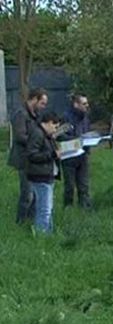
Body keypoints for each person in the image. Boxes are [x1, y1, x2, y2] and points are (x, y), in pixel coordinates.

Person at [7, 87, 48, 224]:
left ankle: (31, 221)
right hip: (23, 158)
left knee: (35, 193)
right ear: (34, 99)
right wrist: (38, 141)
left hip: (33, 157)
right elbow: (20, 136)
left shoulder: (35, 115)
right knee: (27, 194)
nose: (43, 107)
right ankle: (21, 222)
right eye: (42, 103)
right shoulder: (21, 114)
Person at [25, 111, 62, 233]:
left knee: (48, 208)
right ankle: (41, 234)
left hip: (47, 175)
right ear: (49, 123)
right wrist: (51, 154)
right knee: (44, 208)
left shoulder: (46, 136)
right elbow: (32, 155)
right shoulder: (38, 134)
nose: (55, 130)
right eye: (55, 127)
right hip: (40, 176)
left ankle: (48, 233)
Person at [60, 93, 92, 208]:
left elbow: (87, 132)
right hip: (69, 156)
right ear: (76, 104)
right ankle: (68, 208)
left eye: (87, 103)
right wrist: (76, 139)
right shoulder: (66, 117)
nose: (87, 106)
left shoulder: (85, 118)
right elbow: (60, 135)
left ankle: (85, 208)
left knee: (84, 185)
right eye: (84, 104)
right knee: (69, 186)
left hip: (83, 155)